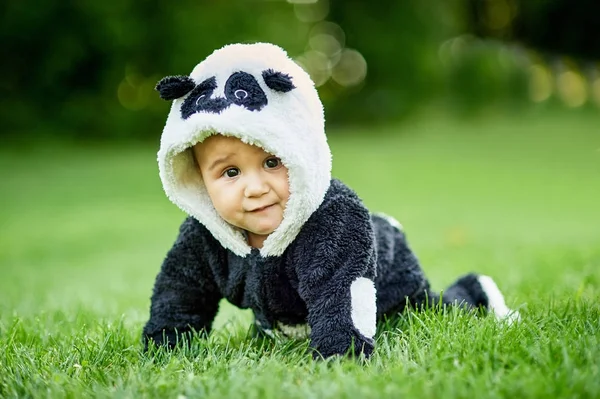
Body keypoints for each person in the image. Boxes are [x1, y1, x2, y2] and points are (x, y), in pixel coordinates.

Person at [142, 42, 519, 359]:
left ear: (300, 154)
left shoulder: (333, 221)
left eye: (272, 162)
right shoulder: (205, 236)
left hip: (380, 269)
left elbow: (343, 296)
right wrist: (166, 346)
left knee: (421, 309)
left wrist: (340, 354)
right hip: (288, 309)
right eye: (230, 173)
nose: (254, 188)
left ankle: (474, 291)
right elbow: (180, 291)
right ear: (198, 180)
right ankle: (286, 325)